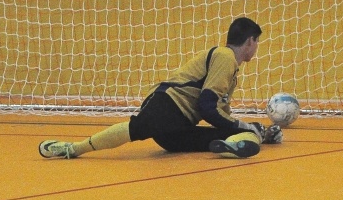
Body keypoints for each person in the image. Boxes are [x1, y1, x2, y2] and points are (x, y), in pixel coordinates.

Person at [39, 17, 282, 160]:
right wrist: (242, 126)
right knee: (138, 128)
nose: (256, 47)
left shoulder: (232, 71)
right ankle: (73, 148)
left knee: (228, 134)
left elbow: (221, 113)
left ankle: (238, 144)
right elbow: (206, 107)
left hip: (175, 131)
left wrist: (252, 129)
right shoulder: (225, 56)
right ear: (250, 41)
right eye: (257, 42)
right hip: (168, 104)